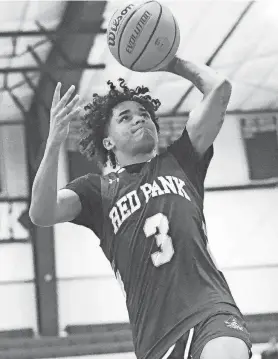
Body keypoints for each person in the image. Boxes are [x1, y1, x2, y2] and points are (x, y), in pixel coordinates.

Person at [29, 56, 252, 359]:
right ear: (107, 142)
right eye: (125, 117)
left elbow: (219, 89)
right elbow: (41, 214)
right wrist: (54, 142)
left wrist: (170, 61)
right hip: (156, 336)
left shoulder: (182, 161)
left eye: (145, 114)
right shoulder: (96, 191)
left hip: (211, 309)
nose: (139, 119)